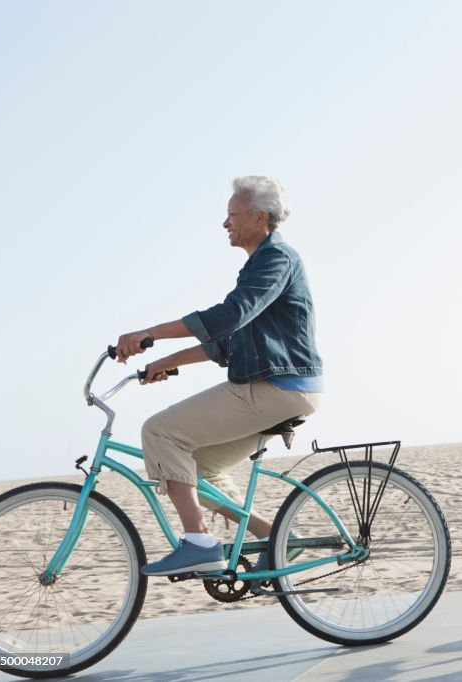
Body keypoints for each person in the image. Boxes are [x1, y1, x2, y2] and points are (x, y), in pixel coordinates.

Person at [116, 176, 324, 576]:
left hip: (280, 387)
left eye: (233, 215)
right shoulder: (259, 265)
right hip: (280, 387)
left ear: (261, 216)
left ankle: (198, 543)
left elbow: (229, 316)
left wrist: (149, 334)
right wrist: (168, 360)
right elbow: (230, 344)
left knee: (159, 433)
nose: (224, 224)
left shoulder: (277, 259)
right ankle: (278, 537)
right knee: (195, 468)